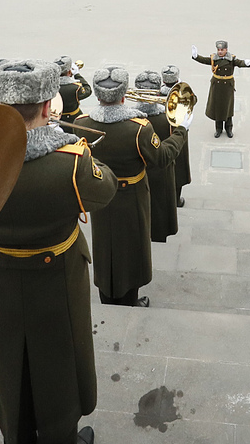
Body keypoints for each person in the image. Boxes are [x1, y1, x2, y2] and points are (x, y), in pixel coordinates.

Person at [0, 60, 115, 444]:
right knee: (61, 355)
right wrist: (62, 139)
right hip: (58, 280)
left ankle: (16, 433)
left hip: (0, 277)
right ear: (45, 108)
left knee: (7, 354)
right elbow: (105, 189)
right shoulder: (70, 163)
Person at [77, 67, 188, 306]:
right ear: (123, 96)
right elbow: (162, 158)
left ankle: (106, 295)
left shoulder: (82, 123)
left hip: (100, 196)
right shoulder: (138, 128)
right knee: (132, 247)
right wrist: (181, 130)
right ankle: (129, 300)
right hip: (132, 196)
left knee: (104, 245)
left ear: (97, 96)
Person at [131, 71, 180, 243]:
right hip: (160, 173)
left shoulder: (130, 119)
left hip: (135, 176)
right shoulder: (167, 118)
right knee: (159, 210)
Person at [191, 40, 250, 138]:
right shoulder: (214, 58)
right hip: (217, 86)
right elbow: (204, 60)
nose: (220, 52)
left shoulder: (231, 59)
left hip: (227, 87)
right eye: (218, 49)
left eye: (222, 50)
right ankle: (218, 129)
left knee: (228, 108)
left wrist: (246, 63)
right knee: (218, 108)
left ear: (226, 50)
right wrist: (196, 56)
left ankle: (229, 128)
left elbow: (239, 62)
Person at [160, 65, 193, 207]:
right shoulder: (183, 92)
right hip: (179, 135)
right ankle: (176, 199)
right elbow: (193, 102)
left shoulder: (157, 92)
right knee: (179, 168)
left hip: (161, 136)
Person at [56, 56, 92, 124]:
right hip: (74, 119)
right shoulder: (76, 88)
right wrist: (77, 74)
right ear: (69, 72)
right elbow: (88, 90)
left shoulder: (50, 86)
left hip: (55, 119)